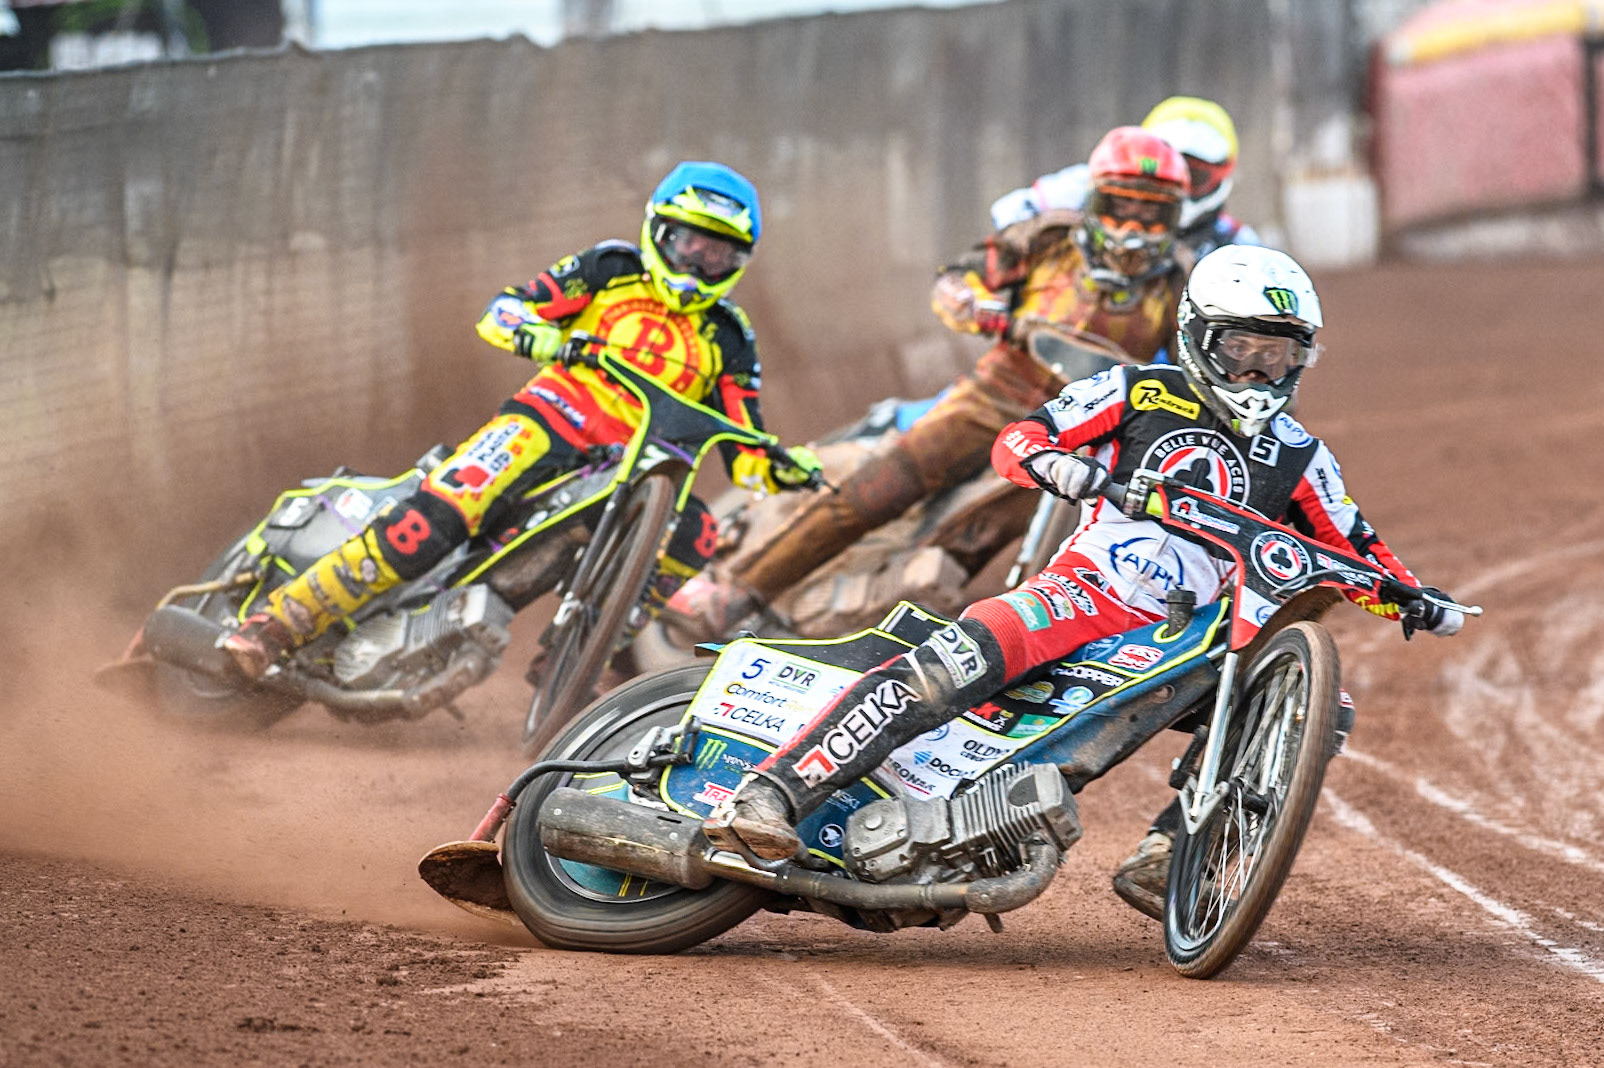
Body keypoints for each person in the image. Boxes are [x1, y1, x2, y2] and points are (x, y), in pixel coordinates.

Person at [705, 245, 1465, 923]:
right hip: (1085, 590)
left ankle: (1173, 853)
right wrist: (1057, 464)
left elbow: (1358, 548)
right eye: (1241, 349)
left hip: (1182, 638)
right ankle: (770, 794)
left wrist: (1418, 598)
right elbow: (1018, 439)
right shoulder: (1138, 391)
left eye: (1280, 355)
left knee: (1317, 707)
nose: (1259, 373)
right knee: (957, 660)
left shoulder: (1301, 456)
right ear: (1199, 335)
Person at [222, 161, 821, 679]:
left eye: (717, 253)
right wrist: (548, 341)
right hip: (550, 420)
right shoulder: (611, 268)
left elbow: (747, 448)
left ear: (738, 261)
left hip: (637, 468)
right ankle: (279, 623)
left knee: (696, 532)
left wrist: (789, 467)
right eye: (689, 244)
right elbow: (504, 312)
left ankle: (585, 653)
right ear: (659, 232)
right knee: (432, 522)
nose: (699, 263)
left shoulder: (730, 337)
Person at [675, 126, 1192, 639]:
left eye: (1152, 214)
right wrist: (971, 301)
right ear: (1095, 200)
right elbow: (962, 274)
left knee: (977, 538)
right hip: (997, 394)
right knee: (882, 486)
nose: (1134, 227)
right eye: (1122, 206)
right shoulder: (1047, 239)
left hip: (1083, 429)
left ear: (1174, 218)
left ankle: (886, 636)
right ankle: (738, 592)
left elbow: (1195, 363)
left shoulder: (1179, 283)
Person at [991, 96, 1261, 260]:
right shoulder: (1092, 184)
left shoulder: (1233, 242)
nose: (1180, 184)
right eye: (1167, 168)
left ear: (1223, 173)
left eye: (1194, 175)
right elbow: (1009, 211)